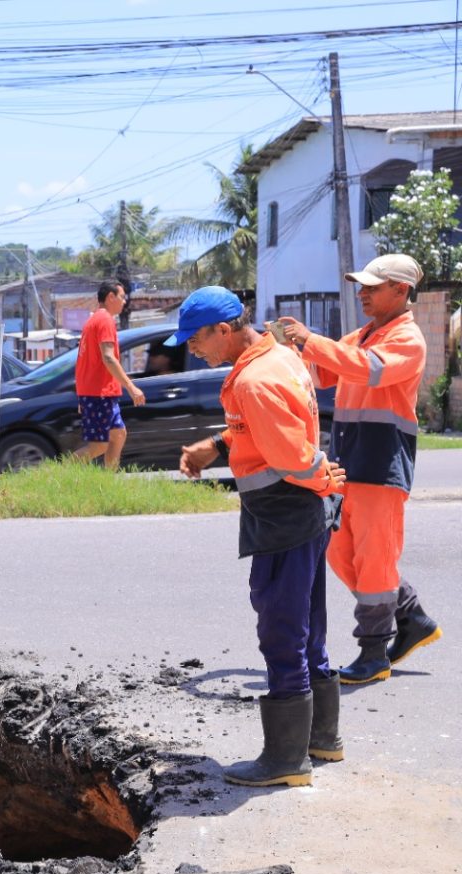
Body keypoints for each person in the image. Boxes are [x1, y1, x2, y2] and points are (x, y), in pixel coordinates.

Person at [174, 286, 347, 787]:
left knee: (280, 628)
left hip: (282, 513)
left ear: (223, 330)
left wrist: (322, 480)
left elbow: (292, 456)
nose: (191, 348)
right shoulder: (278, 353)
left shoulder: (255, 379)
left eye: (196, 339)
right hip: (304, 512)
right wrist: (216, 443)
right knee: (308, 624)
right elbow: (262, 428)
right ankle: (322, 740)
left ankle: (286, 760)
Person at [278, 254, 441, 683]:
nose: (362, 292)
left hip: (382, 461)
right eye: (362, 285)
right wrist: (286, 349)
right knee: (339, 550)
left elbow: (368, 371)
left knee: (374, 559)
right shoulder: (365, 334)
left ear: (401, 291)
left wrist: (311, 340)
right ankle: (412, 618)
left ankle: (374, 654)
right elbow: (323, 374)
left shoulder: (408, 339)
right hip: (349, 460)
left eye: (373, 286)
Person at [74, 280, 146, 468]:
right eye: (122, 297)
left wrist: (82, 396)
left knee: (118, 435)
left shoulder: (94, 320)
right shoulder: (104, 320)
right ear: (111, 297)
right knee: (99, 445)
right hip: (99, 393)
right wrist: (131, 387)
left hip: (97, 393)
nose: (125, 302)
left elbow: (83, 361)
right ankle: (56, 473)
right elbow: (108, 358)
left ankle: (108, 483)